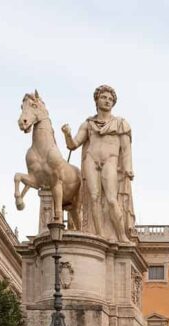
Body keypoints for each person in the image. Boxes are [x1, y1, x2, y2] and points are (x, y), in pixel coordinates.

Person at [62, 85, 135, 243]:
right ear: (97, 100)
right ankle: (100, 236)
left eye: (110, 99)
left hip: (110, 161)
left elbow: (126, 148)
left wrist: (128, 168)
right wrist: (67, 134)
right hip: (91, 160)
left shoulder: (120, 123)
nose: (107, 101)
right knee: (93, 198)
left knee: (111, 199)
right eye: (104, 97)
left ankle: (121, 235)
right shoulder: (88, 124)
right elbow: (73, 145)